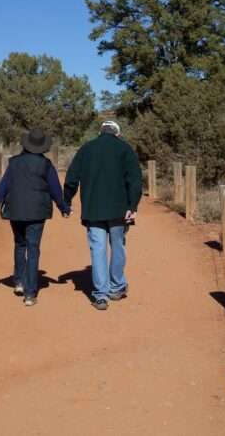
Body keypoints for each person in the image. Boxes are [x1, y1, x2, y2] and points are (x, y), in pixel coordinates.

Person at [63, 120, 142, 311]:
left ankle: (100, 295)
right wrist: (133, 205)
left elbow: (72, 177)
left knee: (97, 249)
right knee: (118, 246)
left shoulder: (86, 149)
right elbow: (135, 180)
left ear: (101, 132)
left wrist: (67, 200)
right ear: (117, 133)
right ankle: (116, 287)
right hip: (119, 209)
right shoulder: (125, 149)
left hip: (93, 209)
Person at [0, 128, 71, 307]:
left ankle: (19, 281)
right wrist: (63, 207)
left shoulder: (14, 163)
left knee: (20, 245)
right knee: (33, 248)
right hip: (37, 211)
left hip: (15, 210)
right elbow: (55, 189)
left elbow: (2, 187)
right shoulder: (46, 165)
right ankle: (30, 294)